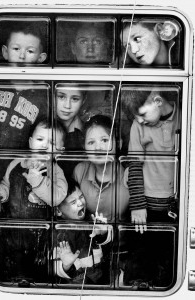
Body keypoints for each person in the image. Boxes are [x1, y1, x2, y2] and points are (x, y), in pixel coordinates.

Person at [121, 88, 179, 233]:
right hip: (145, 205)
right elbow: (134, 165)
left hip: (176, 203)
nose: (140, 120)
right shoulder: (138, 125)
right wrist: (138, 206)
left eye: (142, 114)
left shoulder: (184, 117)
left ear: (158, 101)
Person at [0, 117, 68, 219]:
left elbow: (57, 198)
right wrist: (1, 192)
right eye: (40, 139)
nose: (44, 145)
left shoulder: (56, 171)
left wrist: (38, 181)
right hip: (15, 225)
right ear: (31, 143)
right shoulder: (16, 163)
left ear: (60, 151)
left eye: (52, 143)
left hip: (42, 229)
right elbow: (7, 185)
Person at [53, 178, 112, 285]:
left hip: (101, 280)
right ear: (58, 211)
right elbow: (54, 269)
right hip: (73, 286)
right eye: (73, 202)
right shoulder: (57, 234)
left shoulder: (92, 219)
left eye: (81, 197)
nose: (80, 203)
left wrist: (103, 233)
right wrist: (66, 265)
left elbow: (108, 245)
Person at [73, 115, 129, 222]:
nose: (98, 148)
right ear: (84, 147)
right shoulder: (80, 171)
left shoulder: (127, 174)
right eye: (91, 142)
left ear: (119, 144)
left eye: (104, 140)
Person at [55, 86, 86, 150]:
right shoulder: (40, 125)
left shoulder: (85, 133)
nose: (67, 106)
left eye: (74, 99)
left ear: (83, 100)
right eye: (61, 97)